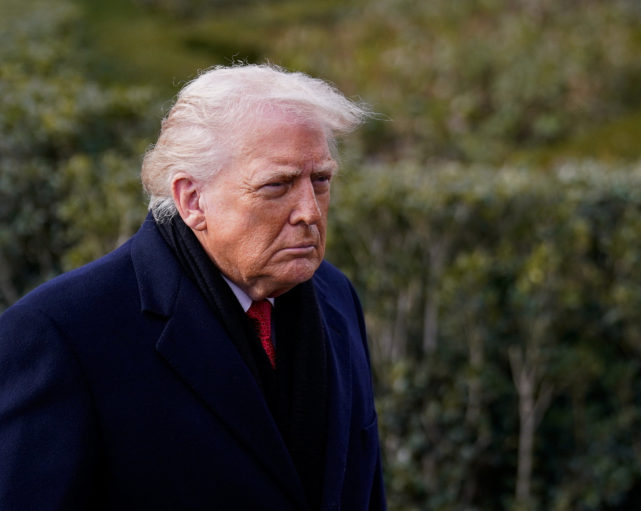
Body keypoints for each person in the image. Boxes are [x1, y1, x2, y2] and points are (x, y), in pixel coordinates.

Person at [0, 64, 386, 510]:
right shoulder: (57, 335)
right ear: (191, 199)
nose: (309, 212)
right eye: (277, 185)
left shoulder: (335, 294)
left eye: (320, 181)